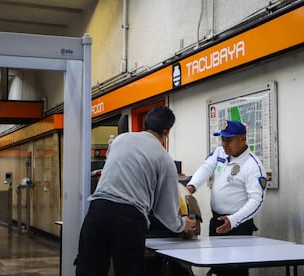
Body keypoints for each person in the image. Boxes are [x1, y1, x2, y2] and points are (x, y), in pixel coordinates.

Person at [75, 106, 196, 276]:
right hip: (129, 218)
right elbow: (166, 211)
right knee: (129, 271)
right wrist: (183, 224)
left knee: (89, 269)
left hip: (98, 211)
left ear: (145, 124)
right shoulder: (165, 160)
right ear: (167, 131)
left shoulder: (120, 140)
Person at [186, 120, 267, 276]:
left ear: (243, 139)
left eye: (229, 140)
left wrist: (233, 220)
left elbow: (257, 201)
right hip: (217, 221)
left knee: (235, 271)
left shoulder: (253, 166)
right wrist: (191, 187)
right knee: (218, 269)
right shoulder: (220, 153)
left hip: (238, 226)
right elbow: (206, 167)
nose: (224, 144)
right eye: (223, 139)